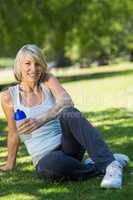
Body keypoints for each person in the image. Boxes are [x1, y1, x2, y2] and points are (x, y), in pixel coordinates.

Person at [0, 44, 129, 189]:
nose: (33, 69)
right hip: (46, 158)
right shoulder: (8, 96)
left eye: (37, 64)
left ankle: (110, 165)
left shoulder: (47, 80)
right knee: (49, 167)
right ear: (19, 66)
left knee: (70, 113)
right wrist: (10, 163)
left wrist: (42, 119)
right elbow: (13, 133)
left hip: (69, 146)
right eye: (28, 64)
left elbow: (67, 101)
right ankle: (98, 166)